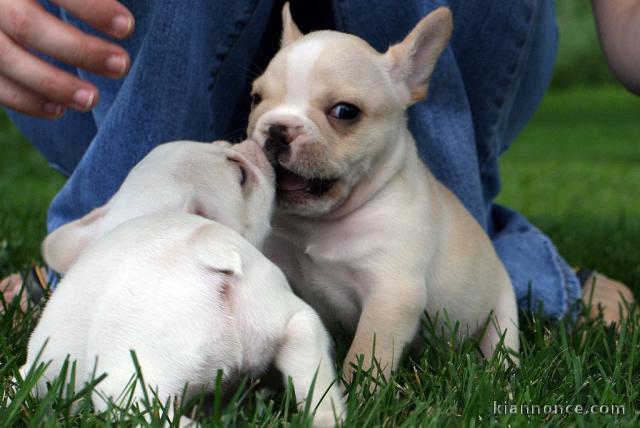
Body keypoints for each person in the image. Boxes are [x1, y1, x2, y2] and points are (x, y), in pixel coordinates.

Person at [0, 0, 635, 323]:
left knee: (411, 276)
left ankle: (454, 240)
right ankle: (107, 243)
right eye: (262, 100)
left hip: (433, 109)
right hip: (105, 84)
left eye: (342, 111)